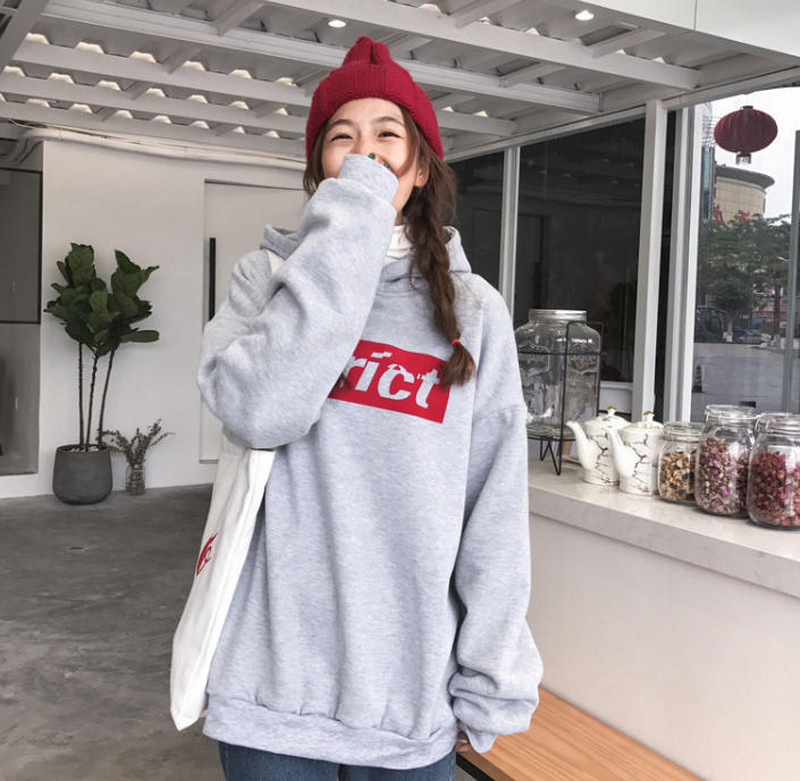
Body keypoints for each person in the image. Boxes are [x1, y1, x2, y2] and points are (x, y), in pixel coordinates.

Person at [197, 36, 543, 781]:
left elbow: (494, 507)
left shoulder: (474, 310)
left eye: (388, 135)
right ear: (318, 170)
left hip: (407, 697)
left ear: (419, 168)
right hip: (271, 689)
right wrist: (350, 226)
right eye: (342, 139)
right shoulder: (265, 280)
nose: (365, 154)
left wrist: (491, 678)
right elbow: (258, 411)